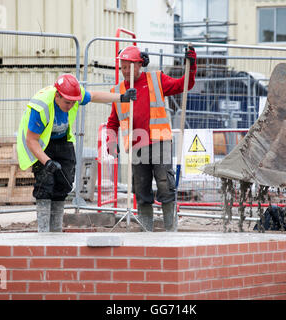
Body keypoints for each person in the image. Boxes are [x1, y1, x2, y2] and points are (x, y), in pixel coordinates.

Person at [17, 73, 136, 232]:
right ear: (58, 96)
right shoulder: (41, 107)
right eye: (67, 102)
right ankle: (43, 232)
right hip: (42, 145)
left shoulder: (73, 94)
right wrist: (47, 161)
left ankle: (56, 230)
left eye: (74, 103)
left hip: (63, 141)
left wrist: (121, 97)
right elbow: (31, 140)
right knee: (45, 186)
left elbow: (94, 96)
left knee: (63, 184)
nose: (71, 106)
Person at [106, 45, 196, 232]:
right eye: (122, 67)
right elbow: (112, 122)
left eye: (129, 66)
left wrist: (192, 65)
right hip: (137, 144)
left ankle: (170, 229)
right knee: (141, 189)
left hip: (160, 141)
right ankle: (146, 230)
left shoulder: (156, 79)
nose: (125, 71)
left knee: (165, 184)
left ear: (140, 65)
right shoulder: (118, 90)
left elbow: (184, 85)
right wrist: (111, 142)